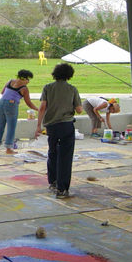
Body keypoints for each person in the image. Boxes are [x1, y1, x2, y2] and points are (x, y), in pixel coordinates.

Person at [35, 63, 83, 199]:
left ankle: (53, 182)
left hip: (51, 126)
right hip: (66, 125)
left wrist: (39, 126)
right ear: (69, 75)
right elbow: (79, 109)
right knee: (65, 157)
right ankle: (62, 189)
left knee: (53, 152)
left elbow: (42, 107)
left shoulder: (48, 88)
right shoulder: (72, 89)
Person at [0, 69, 38, 154]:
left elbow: (2, 92)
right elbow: (28, 103)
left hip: (1, 103)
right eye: (28, 80)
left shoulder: (10, 81)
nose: (28, 82)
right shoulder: (24, 88)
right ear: (25, 79)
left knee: (0, 125)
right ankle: (8, 148)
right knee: (11, 126)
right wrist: (37, 109)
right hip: (11, 104)